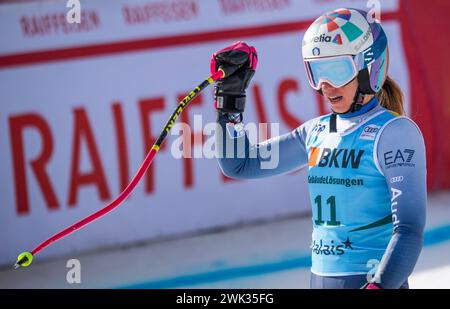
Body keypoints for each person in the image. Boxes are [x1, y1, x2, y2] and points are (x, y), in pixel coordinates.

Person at [211, 8, 427, 289]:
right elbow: (239, 164)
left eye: (336, 70)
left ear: (368, 68)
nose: (324, 86)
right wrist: (229, 101)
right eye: (317, 71)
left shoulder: (395, 133)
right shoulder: (315, 132)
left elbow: (409, 230)